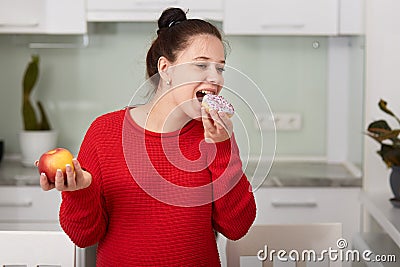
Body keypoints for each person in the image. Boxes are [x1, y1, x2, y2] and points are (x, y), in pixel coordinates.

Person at [38, 7, 256, 266]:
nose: (215, 78)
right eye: (201, 65)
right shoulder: (104, 133)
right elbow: (84, 237)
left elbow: (236, 227)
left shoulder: (215, 136)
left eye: (220, 68)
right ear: (166, 68)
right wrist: (80, 192)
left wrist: (222, 148)